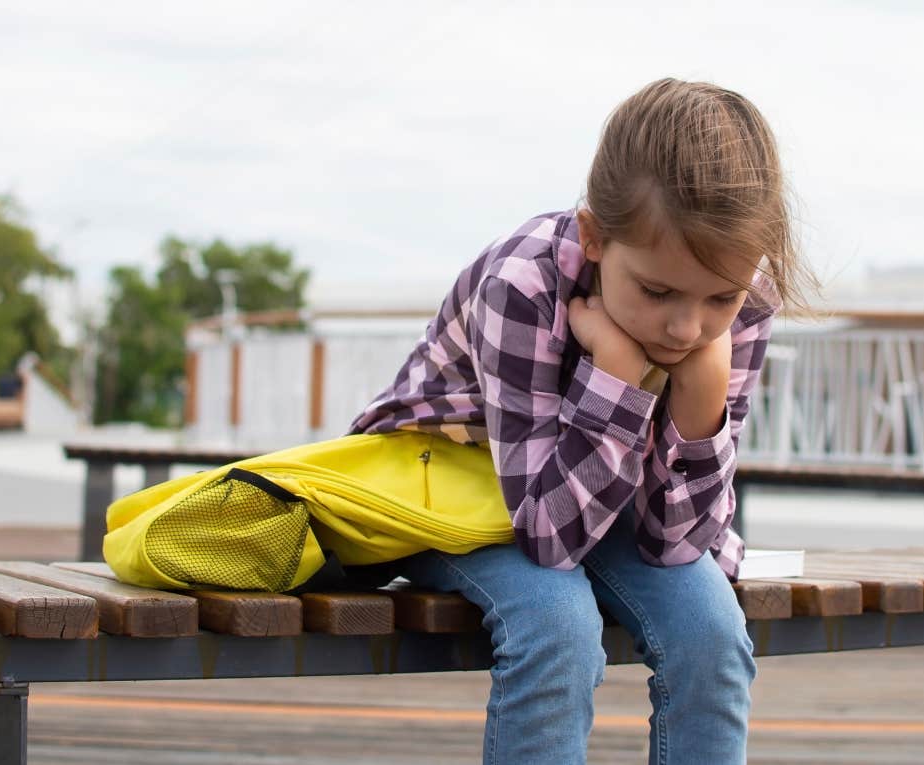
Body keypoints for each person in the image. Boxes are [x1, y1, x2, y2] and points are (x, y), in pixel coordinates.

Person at [350, 77, 817, 765]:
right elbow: (546, 537)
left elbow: (678, 541)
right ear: (596, 238)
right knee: (556, 624)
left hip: (594, 493)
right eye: (657, 291)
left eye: (719, 296)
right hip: (452, 481)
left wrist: (701, 402)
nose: (688, 326)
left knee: (713, 633)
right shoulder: (522, 282)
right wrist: (616, 374)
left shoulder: (744, 303)